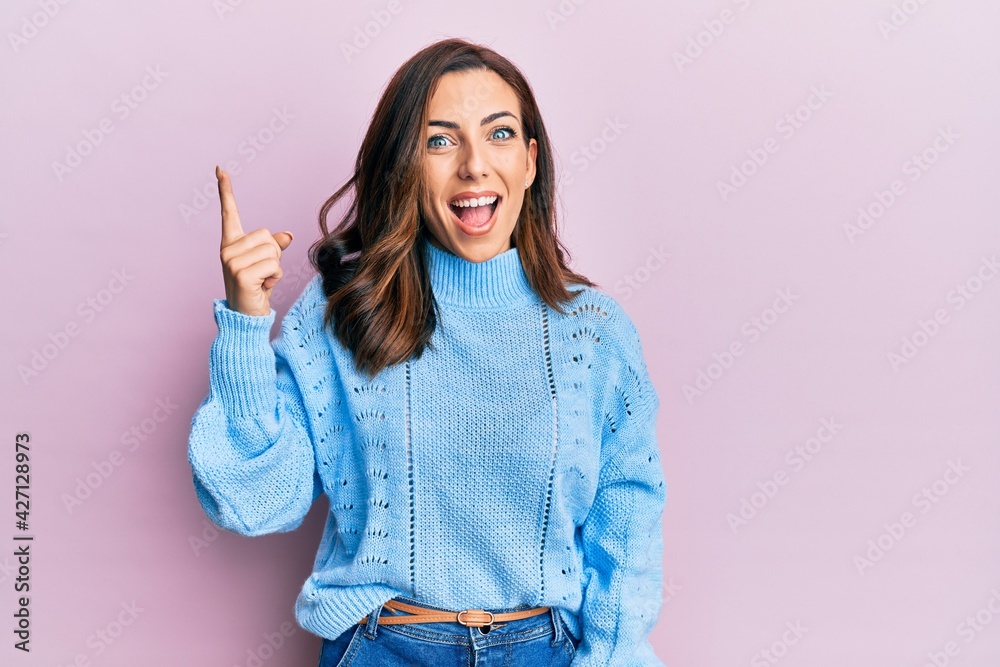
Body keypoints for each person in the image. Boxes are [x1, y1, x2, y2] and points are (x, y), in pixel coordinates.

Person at [187, 37, 667, 666]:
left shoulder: (594, 332)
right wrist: (247, 327)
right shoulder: (344, 314)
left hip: (546, 652)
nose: (473, 165)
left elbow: (628, 518)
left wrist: (612, 657)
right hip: (382, 647)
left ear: (529, 162)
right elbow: (254, 502)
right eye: (440, 141)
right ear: (404, 166)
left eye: (498, 135)